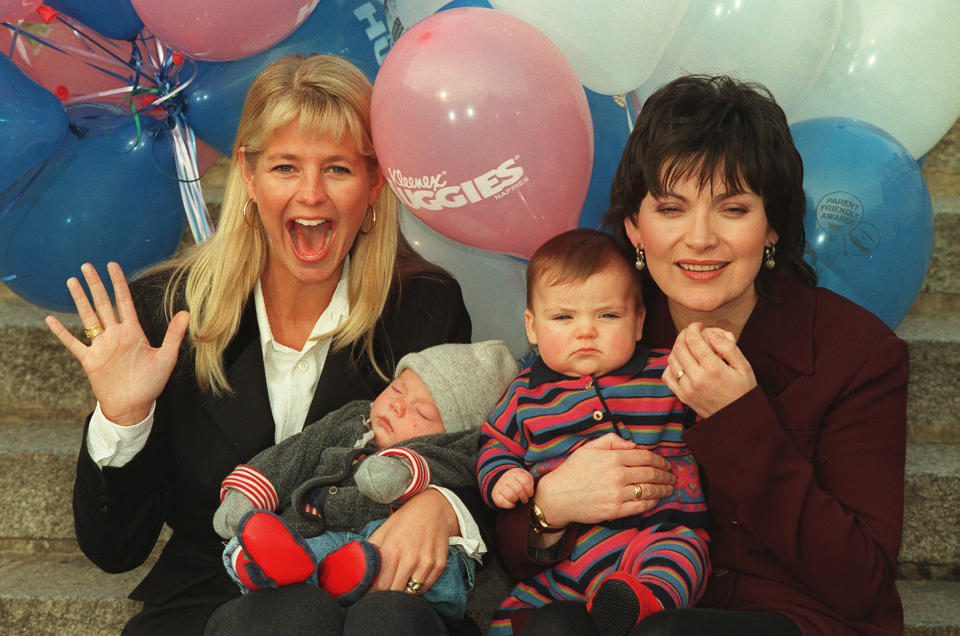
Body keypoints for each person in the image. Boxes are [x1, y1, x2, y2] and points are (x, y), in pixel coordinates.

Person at [44, 54, 485, 635]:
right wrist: (124, 418)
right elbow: (114, 550)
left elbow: (475, 457)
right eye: (284, 167)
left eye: (337, 169)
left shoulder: (426, 305)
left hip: (370, 589)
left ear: (375, 184)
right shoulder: (165, 310)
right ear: (248, 177)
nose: (311, 194)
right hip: (211, 593)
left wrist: (439, 505)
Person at [496, 75, 908, 636]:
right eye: (671, 209)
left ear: (774, 228)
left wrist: (738, 418)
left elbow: (861, 582)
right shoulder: (602, 330)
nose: (699, 238)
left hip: (796, 617)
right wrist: (549, 507)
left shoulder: (856, 354)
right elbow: (510, 504)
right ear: (635, 229)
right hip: (620, 598)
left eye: (732, 209)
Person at [478, 229, 711, 636]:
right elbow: (494, 444)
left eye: (606, 315)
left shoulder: (668, 372)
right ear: (532, 327)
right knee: (520, 610)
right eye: (564, 317)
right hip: (572, 551)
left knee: (682, 557)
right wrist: (502, 477)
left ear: (638, 321)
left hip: (658, 531)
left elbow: (713, 425)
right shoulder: (524, 393)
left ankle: (641, 603)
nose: (585, 331)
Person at [212, 340, 518, 621]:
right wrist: (248, 494)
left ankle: (299, 571)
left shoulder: (445, 454)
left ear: (450, 436)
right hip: (311, 537)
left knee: (419, 560)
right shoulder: (353, 416)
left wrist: (398, 471)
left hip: (382, 555)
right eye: (398, 389)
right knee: (264, 538)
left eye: (422, 412)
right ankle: (265, 563)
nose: (398, 406)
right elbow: (299, 451)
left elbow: (439, 469)